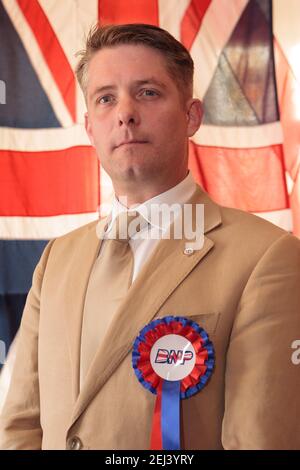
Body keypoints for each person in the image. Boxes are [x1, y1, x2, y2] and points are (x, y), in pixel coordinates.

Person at [0, 23, 300, 450]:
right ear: (89, 127)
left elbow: (260, 440)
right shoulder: (56, 260)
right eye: (106, 98)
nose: (124, 112)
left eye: (148, 92)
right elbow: (21, 426)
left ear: (192, 115)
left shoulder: (267, 258)